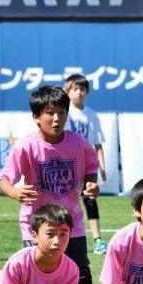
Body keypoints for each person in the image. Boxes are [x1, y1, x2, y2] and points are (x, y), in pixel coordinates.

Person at [0, 85, 102, 284]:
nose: (57, 119)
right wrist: (15, 193)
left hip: (72, 226)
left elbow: (91, 167)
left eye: (61, 113)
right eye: (50, 113)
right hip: (37, 229)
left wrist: (91, 185)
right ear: (36, 116)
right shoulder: (25, 146)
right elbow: (4, 180)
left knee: (81, 277)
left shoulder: (78, 143)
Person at [64, 73, 108, 255]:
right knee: (65, 200)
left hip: (86, 164)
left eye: (83, 89)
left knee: (90, 200)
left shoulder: (91, 115)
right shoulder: (63, 111)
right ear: (68, 90)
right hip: (67, 163)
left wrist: (102, 166)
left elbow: (97, 144)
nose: (79, 93)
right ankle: (63, 237)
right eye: (75, 89)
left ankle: (98, 240)